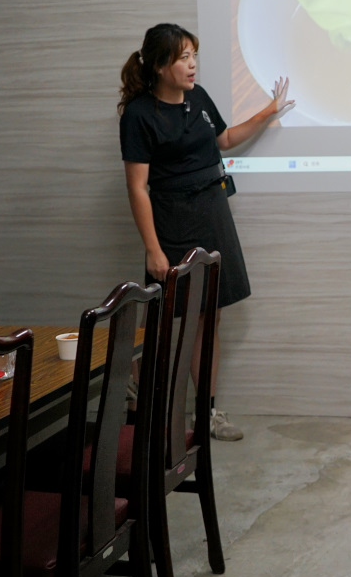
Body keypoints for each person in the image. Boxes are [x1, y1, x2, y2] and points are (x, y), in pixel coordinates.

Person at [118, 22, 293, 441]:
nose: (192, 64)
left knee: (209, 317)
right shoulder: (139, 115)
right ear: (160, 66)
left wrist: (268, 112)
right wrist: (152, 250)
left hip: (212, 213)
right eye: (183, 57)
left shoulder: (197, 98)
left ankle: (206, 413)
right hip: (171, 219)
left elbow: (226, 138)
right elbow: (137, 188)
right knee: (168, 317)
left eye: (194, 55)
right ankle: (140, 396)